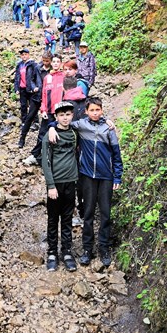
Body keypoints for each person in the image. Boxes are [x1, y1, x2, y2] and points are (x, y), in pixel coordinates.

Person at [48, 97, 123, 267]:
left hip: (106, 177)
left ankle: (104, 248)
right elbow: (63, 123)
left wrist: (117, 175)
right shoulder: (81, 125)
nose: (95, 113)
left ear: (102, 110)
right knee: (87, 213)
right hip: (87, 176)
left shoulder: (108, 129)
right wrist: (52, 127)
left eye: (98, 110)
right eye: (92, 110)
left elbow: (116, 154)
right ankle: (87, 249)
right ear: (86, 112)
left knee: (105, 214)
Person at [41, 101, 78, 272]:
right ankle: (52, 252)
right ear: (56, 117)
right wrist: (50, 185)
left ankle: (67, 251)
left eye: (68, 114)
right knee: (53, 218)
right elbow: (45, 162)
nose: (65, 117)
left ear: (72, 115)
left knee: (67, 217)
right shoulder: (49, 136)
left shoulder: (75, 132)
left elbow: (93, 121)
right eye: (61, 115)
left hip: (71, 181)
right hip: (55, 184)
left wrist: (107, 121)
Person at [24, 54, 63, 166]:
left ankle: (55, 160)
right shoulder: (47, 78)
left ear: (61, 63)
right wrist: (43, 110)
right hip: (49, 111)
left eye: (57, 61)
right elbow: (44, 95)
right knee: (42, 133)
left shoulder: (63, 77)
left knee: (60, 135)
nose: (55, 63)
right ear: (51, 63)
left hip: (61, 112)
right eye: (54, 61)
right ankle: (35, 155)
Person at [14, 48, 42, 148]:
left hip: (30, 88)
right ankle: (24, 121)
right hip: (22, 88)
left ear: (28, 55)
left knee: (32, 106)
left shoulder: (33, 64)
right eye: (22, 55)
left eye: (25, 54)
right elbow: (17, 77)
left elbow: (36, 76)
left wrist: (36, 87)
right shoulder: (19, 65)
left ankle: (35, 122)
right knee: (23, 105)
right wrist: (16, 88)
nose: (24, 56)